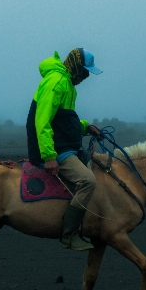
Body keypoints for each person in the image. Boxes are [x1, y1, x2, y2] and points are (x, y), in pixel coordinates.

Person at [26, 48, 103, 251]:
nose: (87, 76)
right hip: (56, 148)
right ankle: (69, 235)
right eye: (86, 71)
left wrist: (86, 127)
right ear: (77, 67)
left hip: (63, 144)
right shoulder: (57, 82)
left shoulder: (68, 84)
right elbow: (42, 122)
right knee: (87, 180)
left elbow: (64, 120)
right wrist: (49, 156)